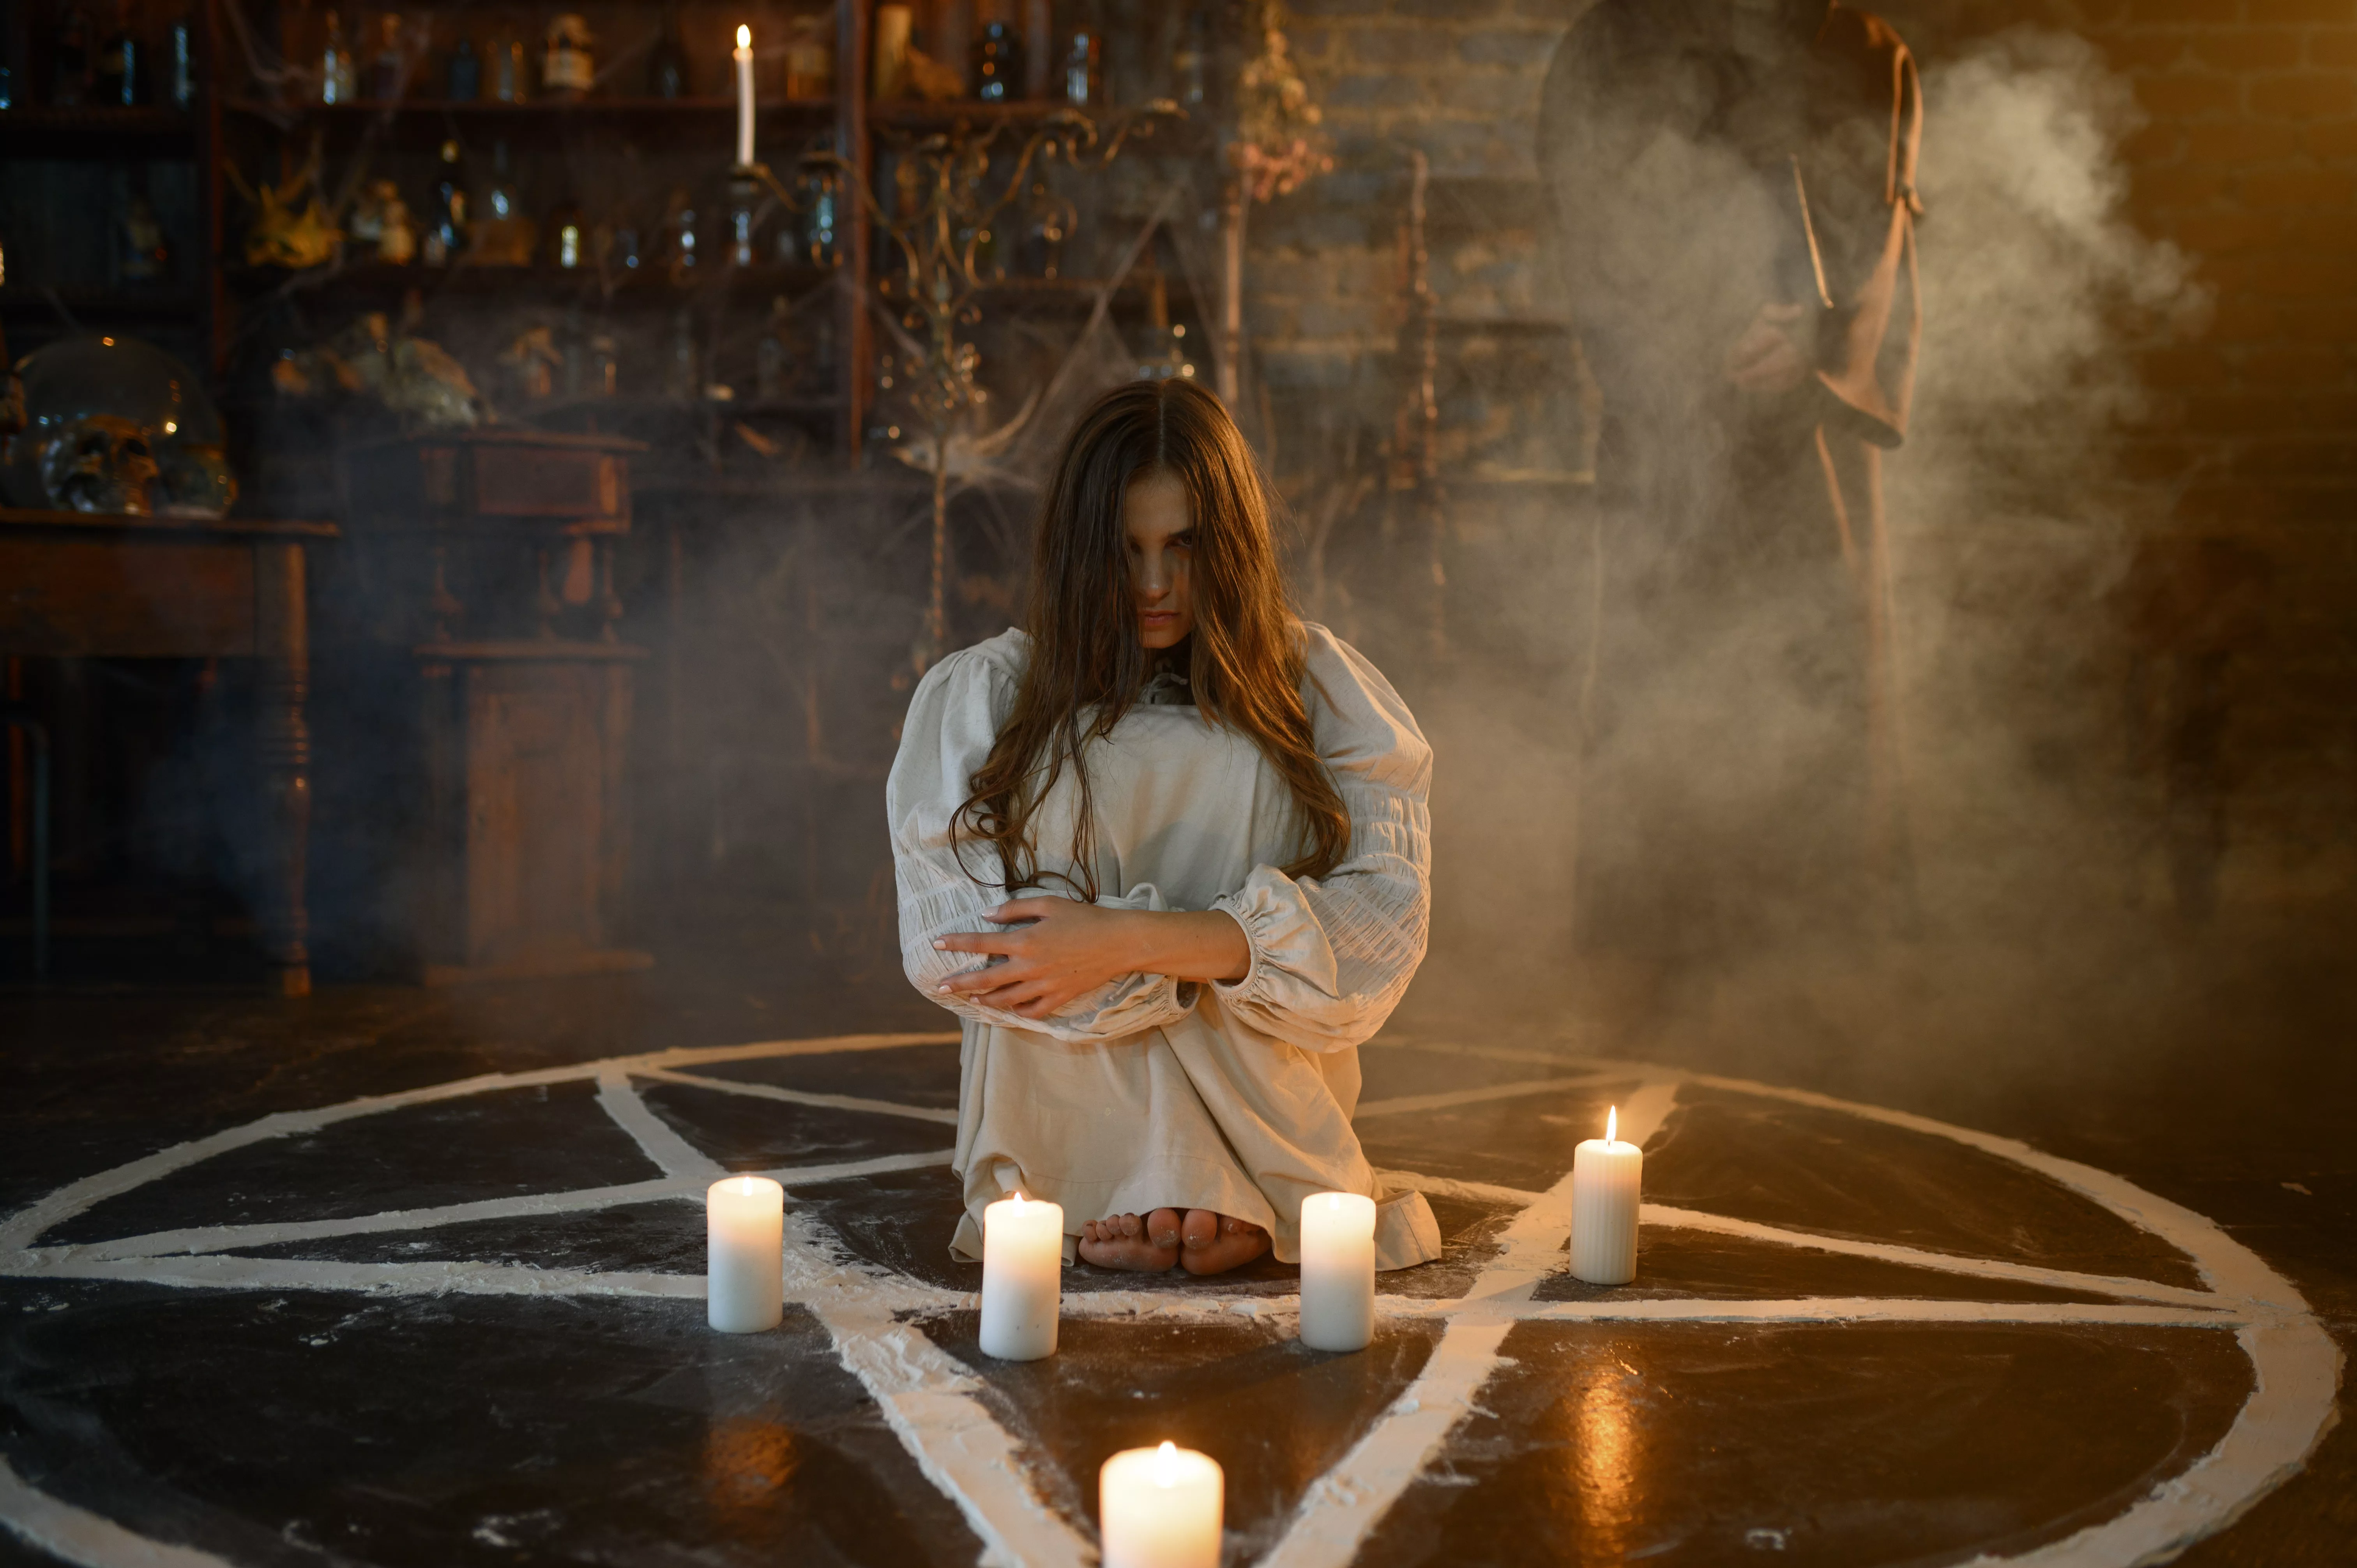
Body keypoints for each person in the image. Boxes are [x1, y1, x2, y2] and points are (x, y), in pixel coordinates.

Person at [887, 378, 1442, 1276]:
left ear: (1231, 546)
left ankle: (1213, 1166)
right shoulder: (990, 698)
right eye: (1126, 549)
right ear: (1078, 552)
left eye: (1184, 547)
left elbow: (1382, 935)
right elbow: (955, 953)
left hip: (1257, 1115)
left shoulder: (1320, 692)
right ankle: (1164, 1173)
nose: (1154, 584)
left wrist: (1122, 938)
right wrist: (1216, 948)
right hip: (1065, 1121)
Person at [1538, 0, 1922, 966]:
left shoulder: (1863, 50)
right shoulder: (1611, 46)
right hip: (1673, 434)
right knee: (1659, 677)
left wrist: (1824, 337)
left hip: (1812, 447)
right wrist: (1702, 346)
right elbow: (1591, 236)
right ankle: (1652, 967)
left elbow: (1888, 235)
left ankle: (1814, 973)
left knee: (1816, 681)